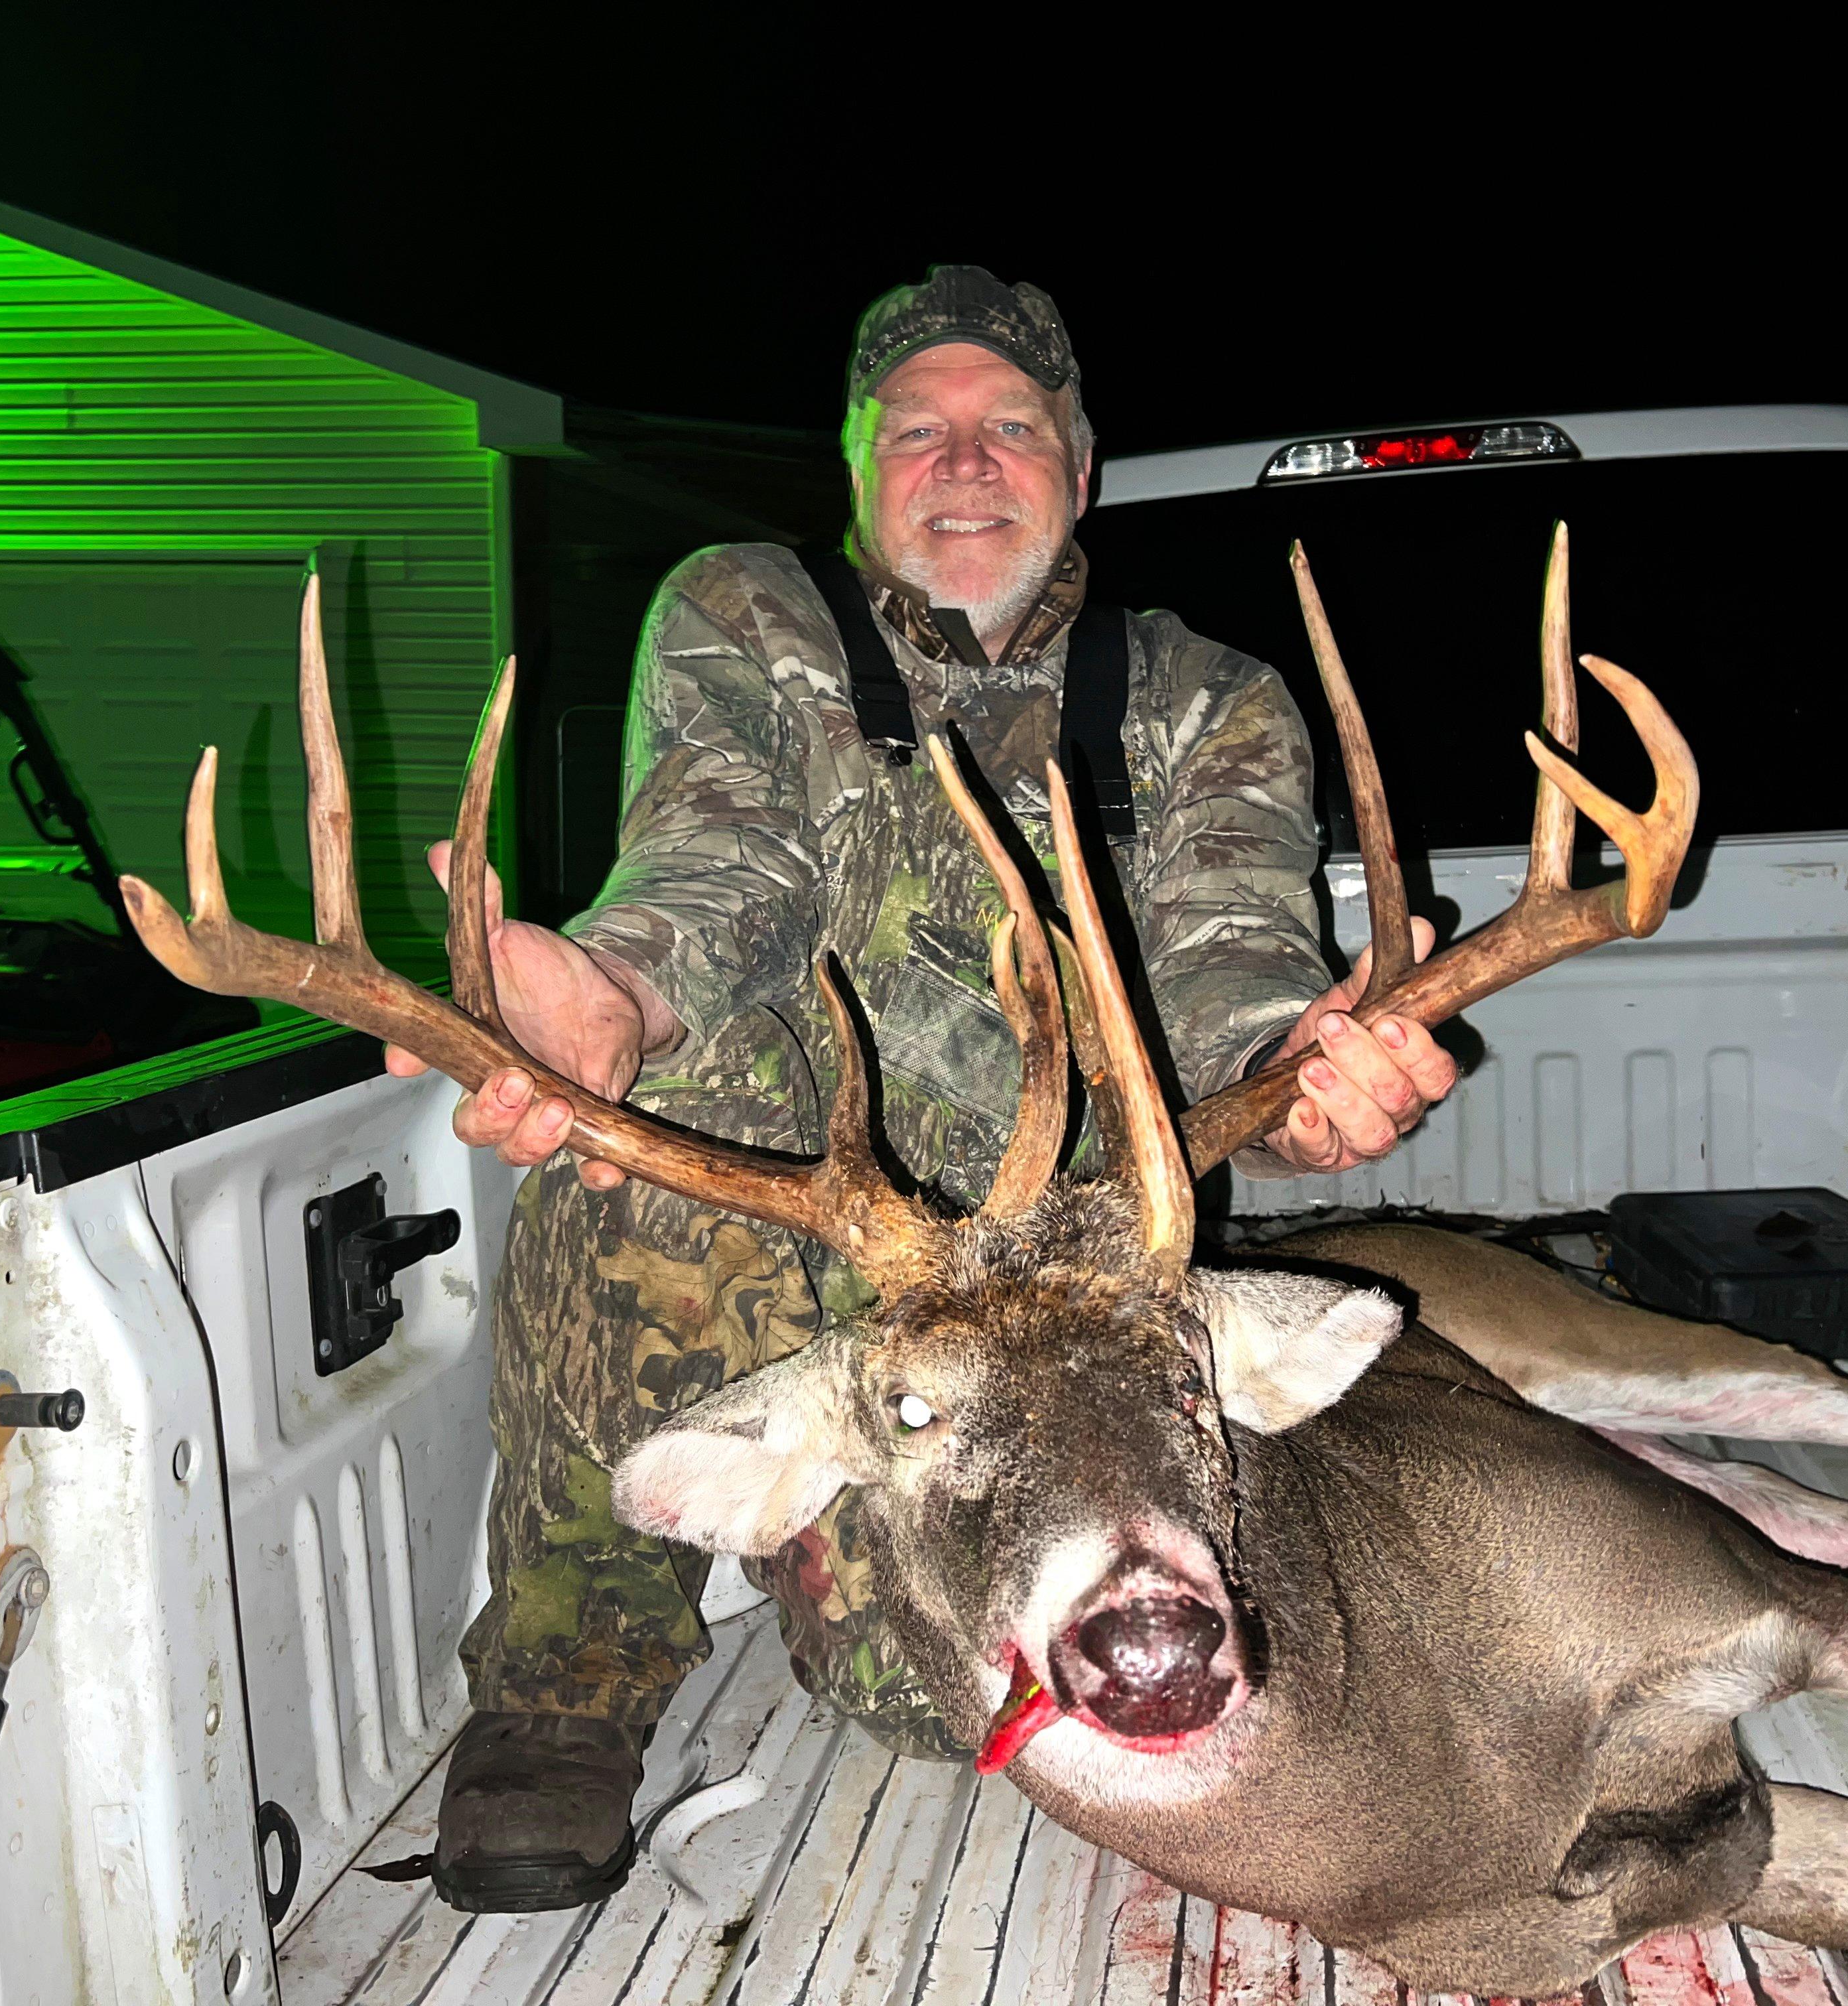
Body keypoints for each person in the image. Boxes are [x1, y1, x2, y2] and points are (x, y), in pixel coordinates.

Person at [388, 267, 1458, 1913]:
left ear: (1078, 469)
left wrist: (1294, 1064)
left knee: (908, 1698)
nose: (966, 463)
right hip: (823, 1248)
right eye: (920, 432)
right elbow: (717, 864)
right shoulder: (752, 618)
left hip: (1057, 1303)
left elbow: (1230, 958)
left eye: (1010, 427)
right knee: (667, 1116)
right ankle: (567, 1682)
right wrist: (613, 993)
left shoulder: (1208, 703)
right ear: (859, 470)